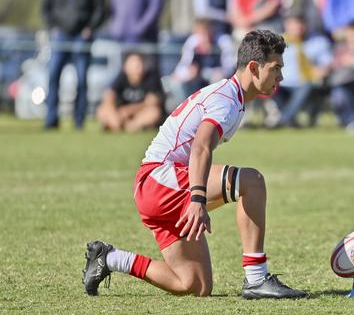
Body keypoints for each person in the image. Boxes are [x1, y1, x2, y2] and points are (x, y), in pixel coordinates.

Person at [82, 30, 308, 299]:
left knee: (195, 285)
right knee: (252, 182)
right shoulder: (226, 100)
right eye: (276, 68)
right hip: (159, 180)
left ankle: (111, 259)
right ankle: (257, 278)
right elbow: (201, 146)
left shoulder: (232, 97)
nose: (281, 77)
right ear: (253, 67)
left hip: (156, 188)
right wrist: (198, 199)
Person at [41, 0, 106, 130]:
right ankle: (51, 119)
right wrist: (52, 28)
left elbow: (100, 9)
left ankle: (79, 121)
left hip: (81, 38)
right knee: (53, 77)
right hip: (59, 36)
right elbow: (46, 8)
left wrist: (89, 28)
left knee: (82, 79)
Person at [269, 14, 332, 128]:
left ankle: (283, 121)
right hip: (282, 85)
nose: (297, 27)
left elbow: (328, 64)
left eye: (300, 24)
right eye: (294, 24)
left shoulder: (318, 41)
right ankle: (289, 120)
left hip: (305, 83)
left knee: (306, 87)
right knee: (268, 87)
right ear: (286, 25)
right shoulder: (276, 42)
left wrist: (322, 70)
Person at [96, 52, 163, 132]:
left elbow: (151, 102)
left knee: (153, 112)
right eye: (134, 66)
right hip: (120, 113)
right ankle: (117, 124)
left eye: (139, 65)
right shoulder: (122, 77)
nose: (138, 68)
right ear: (125, 67)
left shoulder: (151, 78)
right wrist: (115, 113)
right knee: (103, 110)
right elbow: (109, 96)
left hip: (139, 113)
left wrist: (128, 111)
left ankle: (130, 126)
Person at [172, 19, 236, 99]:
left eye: (206, 32)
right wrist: (189, 72)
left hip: (216, 79)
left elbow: (228, 67)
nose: (204, 36)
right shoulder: (192, 42)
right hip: (196, 80)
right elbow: (183, 65)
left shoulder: (223, 41)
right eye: (201, 33)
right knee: (175, 83)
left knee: (216, 82)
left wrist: (216, 74)